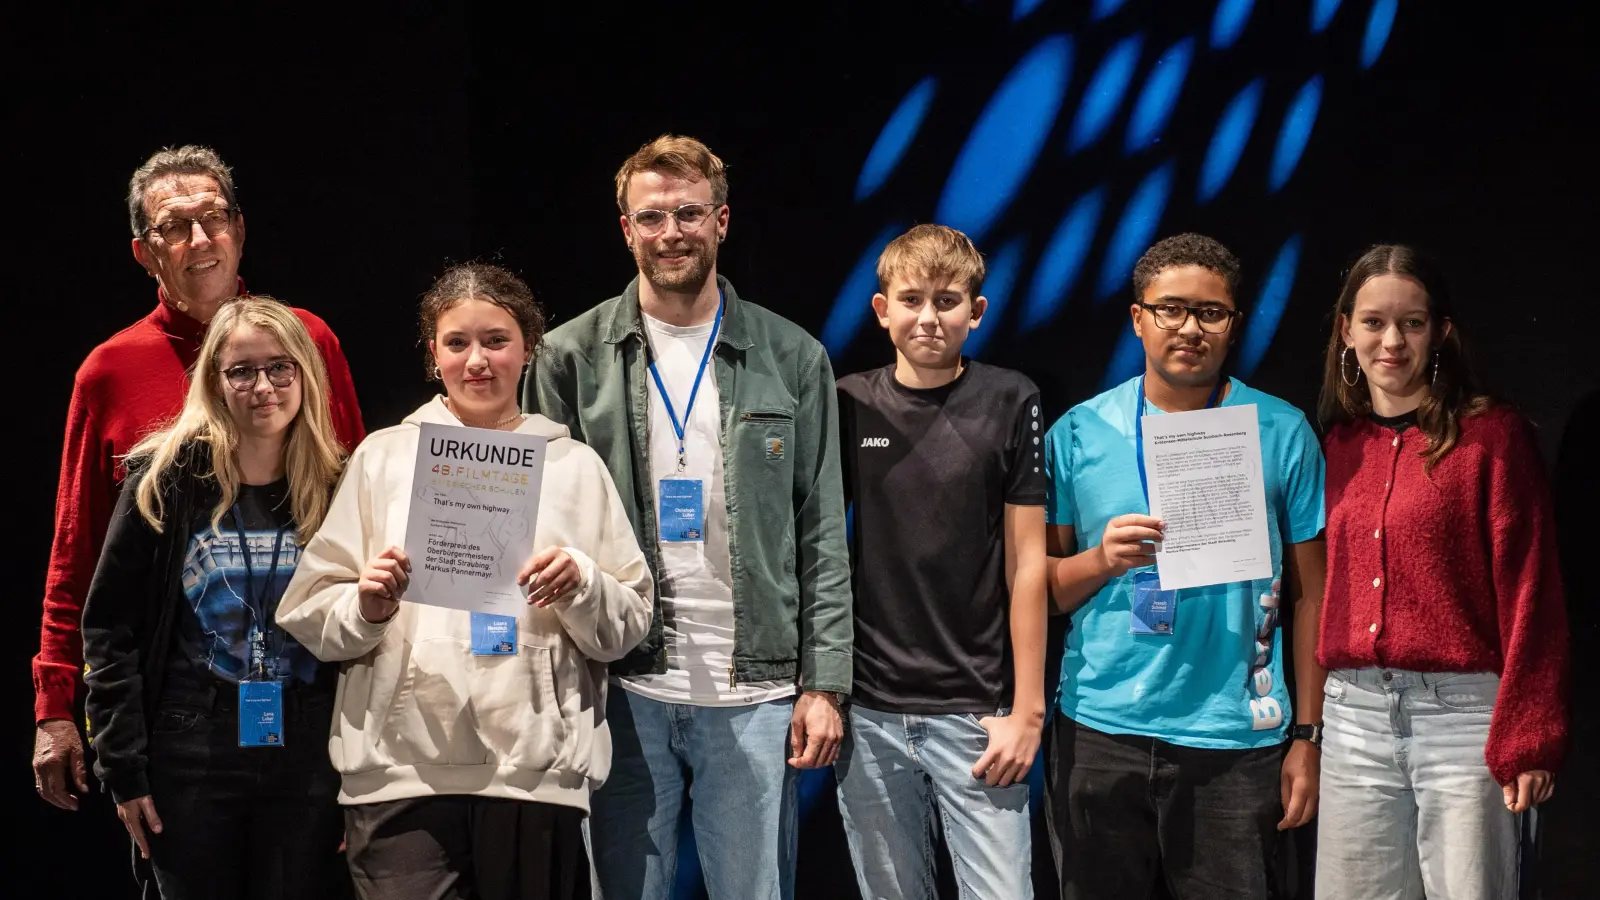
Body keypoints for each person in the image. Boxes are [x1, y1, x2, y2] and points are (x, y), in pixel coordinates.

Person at [526, 134, 851, 900]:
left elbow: (822, 532)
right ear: (626, 229)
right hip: (623, 685)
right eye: (652, 217)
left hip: (757, 691)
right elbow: (541, 528)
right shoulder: (571, 357)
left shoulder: (793, 356)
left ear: (723, 221)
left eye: (689, 213)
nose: (671, 232)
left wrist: (825, 683)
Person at [277, 263, 652, 900]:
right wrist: (366, 604)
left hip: (535, 778)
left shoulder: (575, 466)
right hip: (402, 777)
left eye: (496, 340)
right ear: (434, 354)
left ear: (528, 347)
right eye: (457, 343)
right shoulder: (384, 457)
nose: (477, 361)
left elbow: (629, 625)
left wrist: (582, 583)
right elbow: (310, 612)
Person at [33, 145, 365, 812]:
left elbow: (363, 515)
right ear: (144, 252)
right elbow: (79, 555)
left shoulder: (308, 344)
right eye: (174, 227)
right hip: (176, 715)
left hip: (311, 705)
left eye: (213, 218)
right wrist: (55, 704)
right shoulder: (110, 371)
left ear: (239, 231)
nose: (200, 239)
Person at [1041, 233, 1327, 899]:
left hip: (1234, 738)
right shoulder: (1078, 433)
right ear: (1138, 317)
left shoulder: (1281, 431)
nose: (1189, 328)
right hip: (1100, 731)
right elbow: (1044, 589)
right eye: (1170, 309)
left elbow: (1315, 594)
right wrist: (1103, 559)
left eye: (1210, 313)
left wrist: (1309, 735)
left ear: (1235, 324)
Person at [1314, 244, 1568, 899]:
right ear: (1347, 330)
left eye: (1412, 323)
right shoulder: (1339, 445)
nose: (1391, 340)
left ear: (1441, 332)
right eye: (1373, 322)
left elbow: (1531, 589)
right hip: (1354, 717)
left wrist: (1530, 735)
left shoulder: (1490, 436)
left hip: (1461, 720)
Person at [81, 297, 350, 898]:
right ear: (214, 381)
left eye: (281, 368)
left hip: (307, 754)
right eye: (242, 371)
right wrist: (123, 770)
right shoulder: (166, 477)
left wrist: (360, 776)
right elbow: (109, 629)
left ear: (306, 373)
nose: (263, 387)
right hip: (190, 750)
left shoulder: (339, 483)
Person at [832, 224, 1047, 898]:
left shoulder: (1012, 399)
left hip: (977, 715)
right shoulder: (848, 401)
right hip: (868, 713)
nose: (929, 317)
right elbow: (818, 555)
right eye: (912, 299)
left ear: (977, 312)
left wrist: (1028, 712)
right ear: (882, 309)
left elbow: (1029, 561)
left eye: (948, 301)